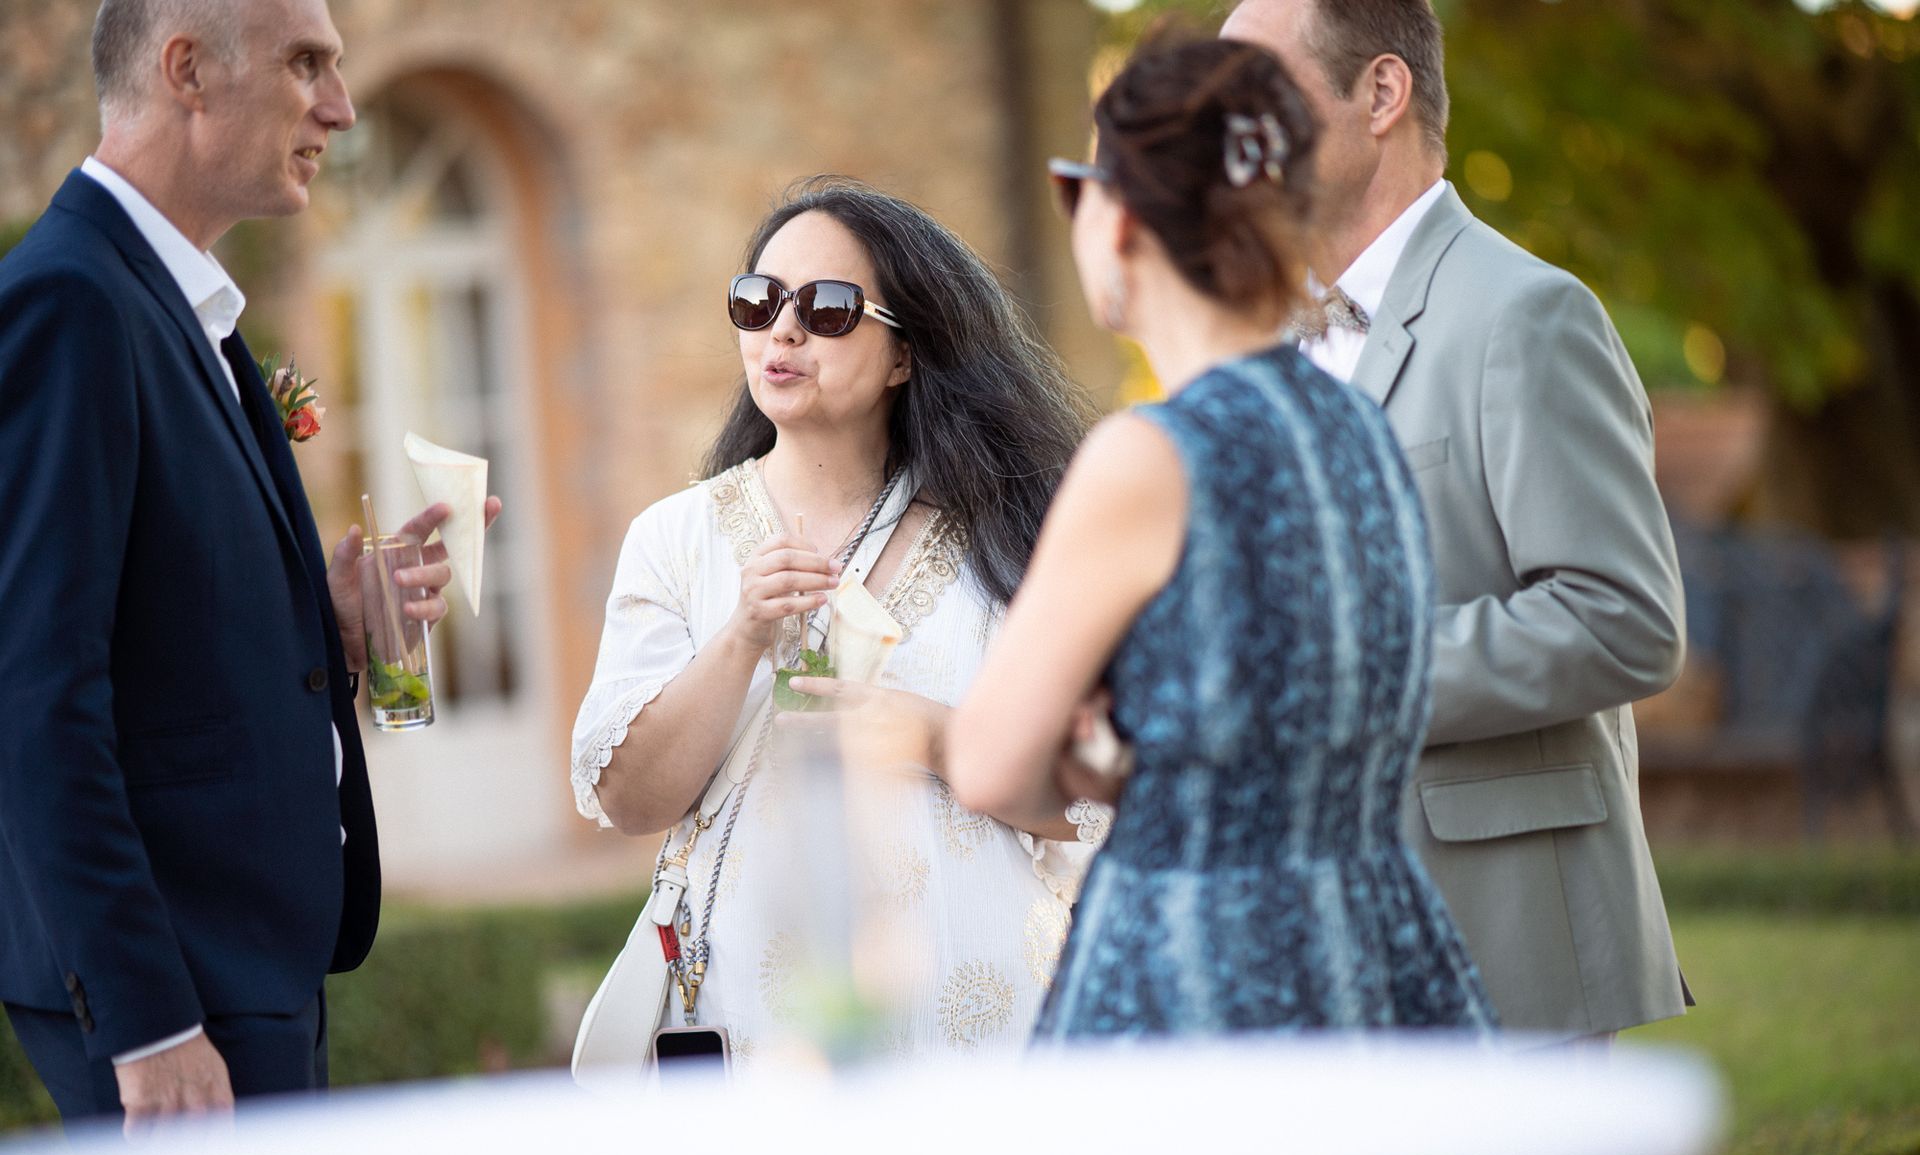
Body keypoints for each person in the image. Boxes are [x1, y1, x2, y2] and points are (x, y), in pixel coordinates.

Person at [0, 0, 499, 1133]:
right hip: (178, 983)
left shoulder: (193, 313)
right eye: (307, 64)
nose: (343, 105)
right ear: (187, 71)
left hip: (245, 964)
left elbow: (150, 627)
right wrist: (148, 1023)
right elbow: (35, 693)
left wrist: (321, 621)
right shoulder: (72, 304)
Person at [949, 36, 1494, 1038]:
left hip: (1204, 961)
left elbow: (987, 765)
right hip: (1378, 947)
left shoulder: (1150, 457)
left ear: (1121, 220)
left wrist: (1075, 758)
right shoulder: (1359, 425)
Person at [1222, 0, 1689, 1041]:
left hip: (1504, 941)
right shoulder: (1251, 342)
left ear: (1380, 94)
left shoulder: (1526, 314)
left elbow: (1624, 620)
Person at [570, 178, 1103, 1063]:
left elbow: (1094, 797)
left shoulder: (1013, 538)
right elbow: (630, 800)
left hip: (983, 1032)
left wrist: (934, 738)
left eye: (826, 309)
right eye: (759, 301)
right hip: (756, 1039)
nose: (782, 330)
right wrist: (741, 633)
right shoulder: (676, 537)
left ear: (904, 356)